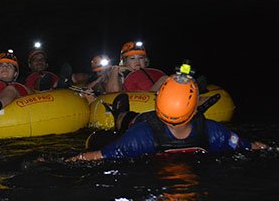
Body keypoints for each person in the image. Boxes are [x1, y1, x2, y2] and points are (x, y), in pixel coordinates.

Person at [66, 69, 267, 162]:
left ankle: (120, 114)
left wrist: (60, 161)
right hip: (188, 158)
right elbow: (248, 146)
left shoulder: (142, 135)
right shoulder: (213, 132)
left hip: (147, 133)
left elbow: (96, 156)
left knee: (130, 120)